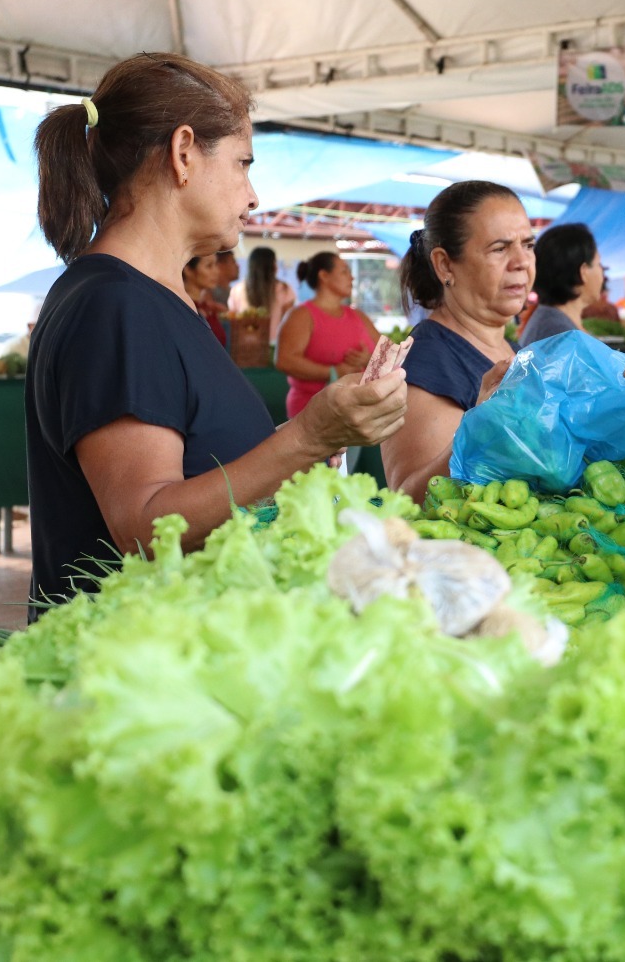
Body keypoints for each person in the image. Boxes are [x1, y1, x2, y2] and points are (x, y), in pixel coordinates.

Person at [26, 52, 406, 609]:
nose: (252, 195)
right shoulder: (115, 305)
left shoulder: (153, 297)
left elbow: (202, 456)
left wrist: (300, 453)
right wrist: (306, 438)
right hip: (132, 662)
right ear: (184, 154)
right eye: (242, 163)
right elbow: (144, 526)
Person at [381, 180, 534, 501]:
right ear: (445, 264)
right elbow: (410, 497)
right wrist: (481, 429)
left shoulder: (513, 350)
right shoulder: (424, 360)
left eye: (529, 245)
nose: (521, 261)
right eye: (500, 248)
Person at [276, 252, 381, 419]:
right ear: (324, 275)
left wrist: (368, 360)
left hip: (355, 414)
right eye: (344, 271)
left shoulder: (357, 315)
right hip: (311, 413)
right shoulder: (301, 315)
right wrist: (332, 372)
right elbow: (285, 360)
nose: (352, 278)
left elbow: (388, 355)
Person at [518, 222, 603, 347]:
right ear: (583, 272)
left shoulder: (551, 322)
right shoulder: (561, 334)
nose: (602, 273)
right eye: (598, 264)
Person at [229, 245, 296, 344]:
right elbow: (289, 324)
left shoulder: (237, 290)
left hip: (244, 346)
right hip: (274, 347)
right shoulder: (284, 289)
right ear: (273, 266)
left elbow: (233, 321)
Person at [181, 254, 228, 346]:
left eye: (216, 265)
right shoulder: (184, 309)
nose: (216, 271)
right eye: (209, 266)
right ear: (188, 270)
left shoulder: (208, 308)